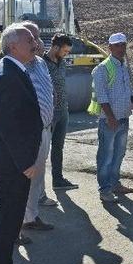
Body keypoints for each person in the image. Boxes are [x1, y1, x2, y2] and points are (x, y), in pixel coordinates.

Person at [0, 23, 41, 264]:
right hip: (11, 160)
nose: (35, 44)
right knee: (8, 218)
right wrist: (25, 162)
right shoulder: (7, 74)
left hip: (10, 157)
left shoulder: (12, 68)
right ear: (13, 46)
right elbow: (9, 126)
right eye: (29, 40)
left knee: (6, 217)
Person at [91, 32, 133, 203]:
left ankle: (114, 183)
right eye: (117, 45)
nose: (121, 48)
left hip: (124, 117)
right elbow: (102, 96)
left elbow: (128, 90)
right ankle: (104, 189)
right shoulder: (102, 68)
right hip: (109, 120)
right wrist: (111, 118)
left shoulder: (124, 67)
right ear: (110, 47)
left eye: (123, 45)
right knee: (106, 156)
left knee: (119, 154)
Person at [19, 22, 57, 233]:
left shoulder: (41, 63)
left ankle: (30, 216)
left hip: (44, 129)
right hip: (28, 134)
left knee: (36, 177)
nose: (37, 42)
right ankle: (17, 223)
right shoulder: (17, 66)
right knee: (24, 178)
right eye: (31, 38)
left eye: (37, 37)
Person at [44, 33, 79, 190]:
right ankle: (36, 185)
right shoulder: (41, 63)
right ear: (56, 47)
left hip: (63, 110)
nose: (66, 54)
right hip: (48, 112)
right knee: (42, 148)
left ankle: (57, 180)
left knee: (58, 147)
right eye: (65, 51)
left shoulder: (62, 63)